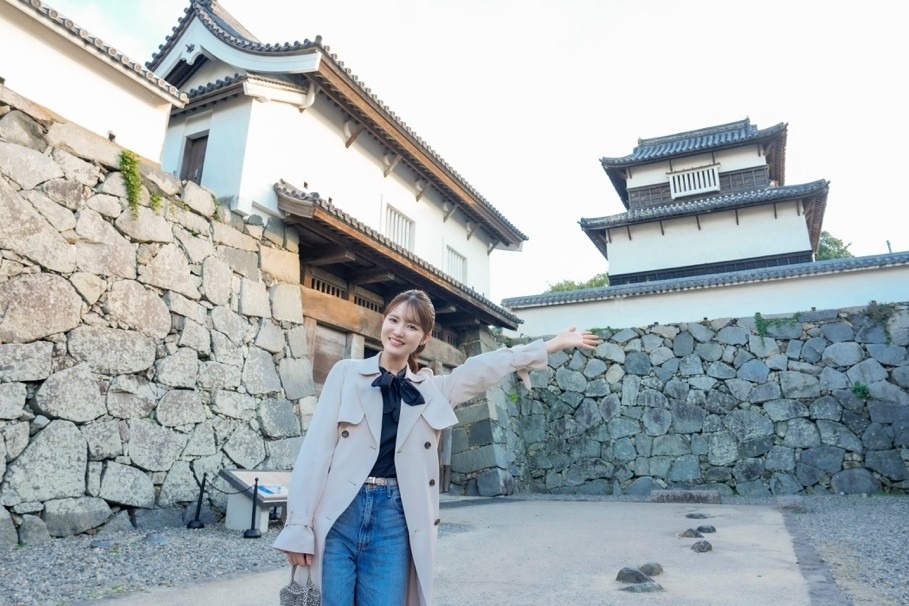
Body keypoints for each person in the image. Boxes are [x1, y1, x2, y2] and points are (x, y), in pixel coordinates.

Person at [273, 289, 600, 606]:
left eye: (411, 326)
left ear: (425, 338)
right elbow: (315, 453)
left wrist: (549, 344)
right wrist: (298, 526)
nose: (398, 331)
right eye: (393, 320)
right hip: (339, 512)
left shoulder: (432, 390)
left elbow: (482, 369)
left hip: (394, 518)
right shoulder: (346, 374)